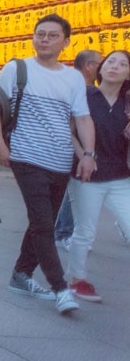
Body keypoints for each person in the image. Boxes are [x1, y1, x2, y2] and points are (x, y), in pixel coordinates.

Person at [0, 14, 95, 316]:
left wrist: (89, 154)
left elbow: (82, 118)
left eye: (51, 35)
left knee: (41, 222)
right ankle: (61, 289)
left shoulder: (73, 78)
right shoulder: (17, 68)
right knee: (44, 223)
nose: (44, 39)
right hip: (26, 156)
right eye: (39, 34)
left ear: (66, 41)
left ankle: (21, 275)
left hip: (60, 161)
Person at [64, 50, 130, 303]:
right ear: (100, 69)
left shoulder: (127, 102)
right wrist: (84, 157)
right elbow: (69, 131)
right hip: (87, 177)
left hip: (121, 177)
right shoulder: (85, 95)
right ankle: (76, 280)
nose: (115, 66)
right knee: (85, 231)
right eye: (111, 61)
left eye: (123, 64)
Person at [54, 49, 104, 247]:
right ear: (89, 66)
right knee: (75, 191)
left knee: (74, 191)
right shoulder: (81, 90)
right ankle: (64, 233)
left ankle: (64, 231)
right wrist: (84, 153)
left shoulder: (78, 88)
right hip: (76, 150)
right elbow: (71, 125)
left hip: (81, 151)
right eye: (101, 63)